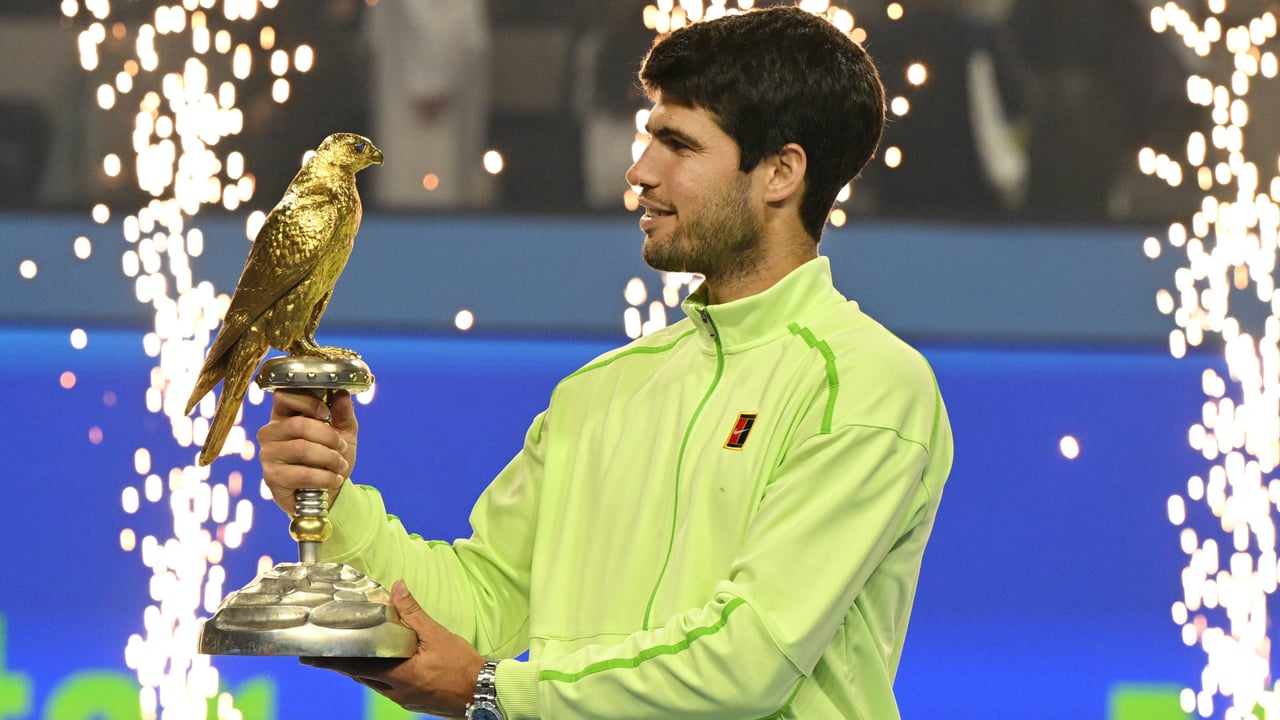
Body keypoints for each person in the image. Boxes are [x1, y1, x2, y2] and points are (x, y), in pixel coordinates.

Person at [257, 7, 953, 718]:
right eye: (648, 138)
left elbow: (746, 662)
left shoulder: (865, 386)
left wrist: (492, 691)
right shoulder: (599, 391)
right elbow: (481, 601)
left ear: (781, 172)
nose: (640, 171)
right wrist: (331, 501)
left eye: (678, 145)